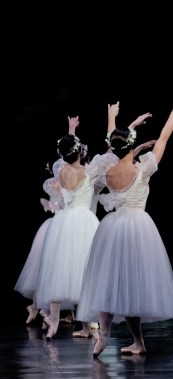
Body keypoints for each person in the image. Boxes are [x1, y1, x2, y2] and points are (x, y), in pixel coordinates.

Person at [77, 96, 173, 357]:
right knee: (131, 285)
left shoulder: (107, 170)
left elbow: (111, 142)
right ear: (132, 146)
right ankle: (137, 340)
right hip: (138, 228)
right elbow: (163, 139)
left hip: (113, 228)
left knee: (110, 282)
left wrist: (112, 118)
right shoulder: (143, 169)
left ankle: (105, 334)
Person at [35, 116, 104, 340]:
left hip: (64, 222)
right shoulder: (88, 171)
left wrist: (71, 129)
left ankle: (55, 319)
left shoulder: (60, 170)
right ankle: (88, 324)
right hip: (84, 221)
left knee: (62, 270)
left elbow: (67, 147)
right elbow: (110, 157)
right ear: (80, 152)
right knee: (85, 271)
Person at [15, 165, 64, 325]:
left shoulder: (68, 181)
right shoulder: (54, 183)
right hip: (56, 226)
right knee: (44, 271)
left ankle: (43, 311)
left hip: (63, 226)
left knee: (56, 272)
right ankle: (38, 308)